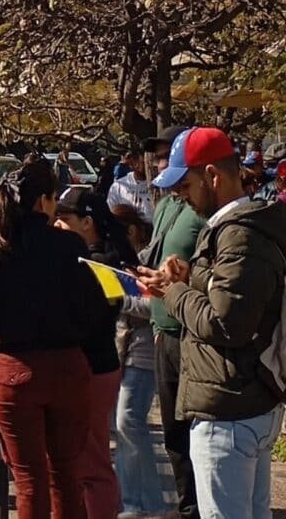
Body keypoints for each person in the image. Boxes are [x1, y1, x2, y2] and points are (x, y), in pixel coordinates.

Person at [137, 127, 286, 519]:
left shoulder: (240, 234)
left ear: (213, 176)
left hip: (229, 411)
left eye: (185, 184)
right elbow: (232, 294)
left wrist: (173, 291)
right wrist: (190, 277)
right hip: (241, 402)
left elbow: (225, 324)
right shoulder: (240, 229)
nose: (179, 195)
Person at [0, 159, 110, 519]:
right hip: (66, 366)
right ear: (44, 200)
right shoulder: (69, 245)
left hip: (13, 369)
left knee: (28, 480)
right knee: (66, 474)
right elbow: (95, 308)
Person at [140, 126, 206, 519]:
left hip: (191, 332)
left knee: (198, 429)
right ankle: (186, 506)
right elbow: (156, 251)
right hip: (162, 329)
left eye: (167, 157)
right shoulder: (165, 205)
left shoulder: (200, 208)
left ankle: (200, 506)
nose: (161, 165)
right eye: (158, 158)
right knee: (173, 432)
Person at [54, 187, 131, 518]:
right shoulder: (90, 260)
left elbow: (91, 318)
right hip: (97, 367)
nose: (57, 226)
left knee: (92, 462)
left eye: (65, 220)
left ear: (87, 223)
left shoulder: (99, 264)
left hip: (93, 369)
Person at [108, 203, 169, 519]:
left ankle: (145, 502)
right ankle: (134, 499)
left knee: (128, 420)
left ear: (131, 231)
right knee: (126, 426)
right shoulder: (126, 261)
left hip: (145, 351)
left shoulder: (149, 260)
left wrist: (120, 298)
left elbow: (155, 306)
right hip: (125, 349)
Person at [108, 150, 153, 223]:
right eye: (144, 162)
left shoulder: (159, 184)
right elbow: (111, 213)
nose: (148, 165)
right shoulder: (118, 186)